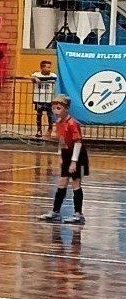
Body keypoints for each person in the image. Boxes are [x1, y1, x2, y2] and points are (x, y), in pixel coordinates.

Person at [40, 94, 87, 225]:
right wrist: (61, 154)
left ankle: (78, 214)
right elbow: (61, 139)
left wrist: (73, 161)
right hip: (67, 153)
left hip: (77, 155)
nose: (55, 111)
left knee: (76, 183)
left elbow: (78, 142)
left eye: (58, 108)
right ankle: (55, 212)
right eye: (54, 108)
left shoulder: (73, 123)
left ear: (66, 109)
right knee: (62, 183)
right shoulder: (58, 122)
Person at [31, 60, 58, 135]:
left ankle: (50, 129)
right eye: (48, 67)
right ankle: (39, 130)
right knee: (39, 114)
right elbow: (29, 76)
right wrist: (35, 78)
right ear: (42, 68)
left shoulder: (53, 75)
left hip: (49, 99)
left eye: (50, 67)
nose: (49, 69)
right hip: (39, 98)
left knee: (50, 115)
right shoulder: (36, 74)